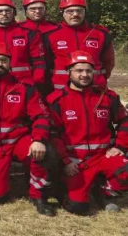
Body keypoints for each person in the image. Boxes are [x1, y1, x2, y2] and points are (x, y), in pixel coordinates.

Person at [0, 42, 56, 216]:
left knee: (46, 152)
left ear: (10, 62)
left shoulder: (24, 88)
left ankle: (38, 195)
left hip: (16, 140)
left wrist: (38, 139)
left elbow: (41, 116)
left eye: (3, 60)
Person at [47, 51, 128, 214]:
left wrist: (121, 147)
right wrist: (65, 161)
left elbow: (124, 121)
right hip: (75, 163)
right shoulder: (56, 100)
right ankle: (65, 188)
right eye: (79, 70)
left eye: (88, 71)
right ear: (69, 72)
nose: (84, 75)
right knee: (78, 208)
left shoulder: (107, 97)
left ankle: (103, 191)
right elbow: (53, 135)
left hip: (103, 156)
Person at [42, 0, 114, 91]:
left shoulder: (100, 34)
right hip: (61, 92)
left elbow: (109, 62)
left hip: (94, 90)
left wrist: (99, 78)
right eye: (70, 11)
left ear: (85, 12)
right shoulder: (50, 34)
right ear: (62, 13)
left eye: (79, 11)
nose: (75, 14)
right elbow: (45, 63)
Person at [0, 0, 45, 86]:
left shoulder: (29, 33)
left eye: (8, 10)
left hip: (24, 84)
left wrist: (37, 84)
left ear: (14, 13)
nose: (4, 14)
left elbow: (39, 62)